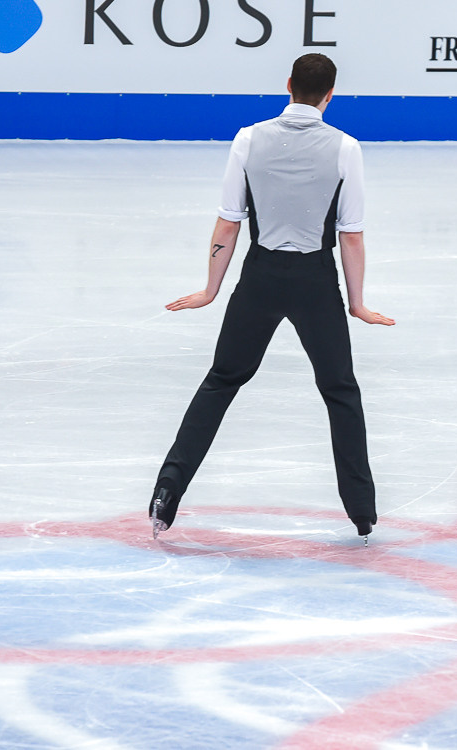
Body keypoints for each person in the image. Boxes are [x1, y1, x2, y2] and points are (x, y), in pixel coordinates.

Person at [149, 53, 393, 544]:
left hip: (259, 277)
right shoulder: (346, 148)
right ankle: (362, 512)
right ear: (330, 94)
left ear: (288, 85)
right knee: (340, 390)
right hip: (316, 282)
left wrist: (211, 289)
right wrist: (357, 302)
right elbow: (351, 235)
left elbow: (228, 221)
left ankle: (166, 493)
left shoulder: (248, 138)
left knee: (221, 381)